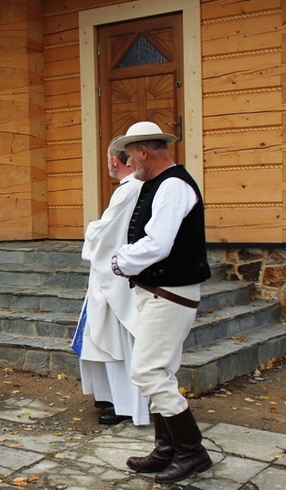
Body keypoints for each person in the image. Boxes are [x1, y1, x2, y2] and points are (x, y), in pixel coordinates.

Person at [110, 121, 212, 484]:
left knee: (148, 371)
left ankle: (192, 451)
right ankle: (167, 449)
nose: (127, 160)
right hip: (161, 292)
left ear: (144, 151)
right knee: (160, 370)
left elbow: (158, 244)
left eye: (130, 153)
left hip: (171, 294)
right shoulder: (159, 184)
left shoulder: (173, 185)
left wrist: (120, 261)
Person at [71, 140, 149, 427]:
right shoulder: (139, 188)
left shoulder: (129, 190)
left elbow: (104, 231)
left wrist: (92, 229)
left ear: (115, 161)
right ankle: (110, 395)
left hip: (116, 276)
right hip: (121, 272)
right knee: (108, 338)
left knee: (117, 340)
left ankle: (126, 403)